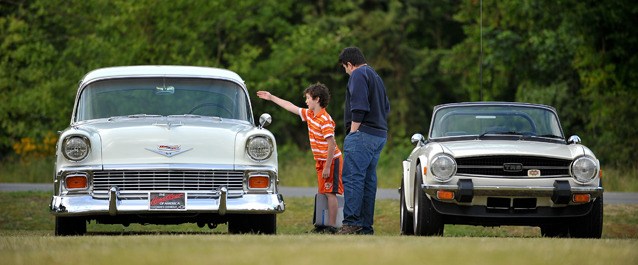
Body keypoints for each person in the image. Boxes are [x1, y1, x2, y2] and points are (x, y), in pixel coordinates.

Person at [257, 83, 344, 234]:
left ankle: (332, 227)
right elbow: (290, 107)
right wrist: (271, 98)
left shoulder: (325, 119)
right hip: (321, 161)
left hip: (331, 161)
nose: (306, 101)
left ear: (317, 99)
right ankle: (321, 225)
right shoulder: (310, 114)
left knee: (331, 193)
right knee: (323, 192)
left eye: (308, 98)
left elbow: (331, 145)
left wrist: (328, 166)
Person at [337, 47, 390, 235]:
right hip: (379, 134)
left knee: (352, 178)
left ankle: (351, 223)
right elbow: (386, 107)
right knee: (368, 181)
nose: (346, 71)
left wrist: (353, 131)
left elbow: (359, 106)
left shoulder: (358, 74)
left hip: (362, 133)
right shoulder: (375, 76)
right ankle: (365, 227)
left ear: (350, 64)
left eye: (345, 68)